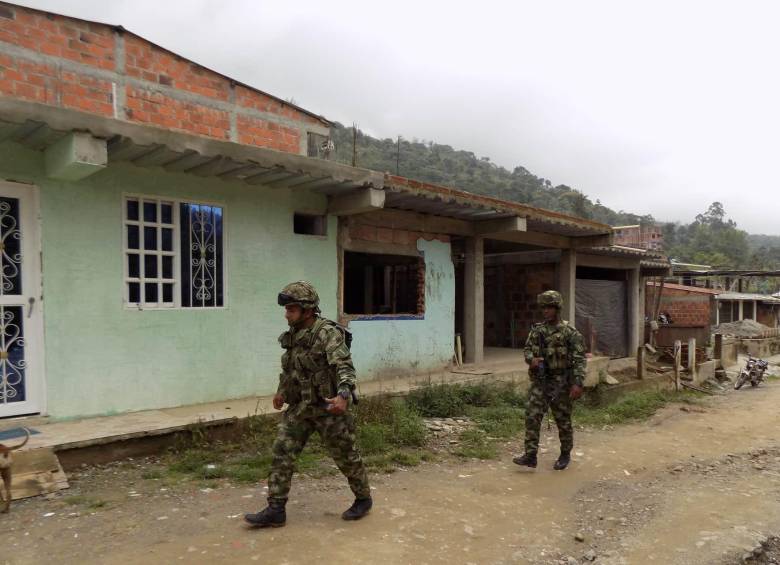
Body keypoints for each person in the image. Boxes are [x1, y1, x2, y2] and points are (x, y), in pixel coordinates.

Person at [244, 281, 372, 528]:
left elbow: (344, 366)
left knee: (346, 456)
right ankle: (276, 509)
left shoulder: (327, 333)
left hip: (328, 409)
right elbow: (290, 368)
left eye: (291, 309)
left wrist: (343, 396)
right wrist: (281, 392)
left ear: (308, 310)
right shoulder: (292, 335)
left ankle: (363, 499)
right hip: (301, 407)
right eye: (287, 309)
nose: (286, 314)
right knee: (282, 452)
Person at [513, 290, 585, 471]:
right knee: (532, 415)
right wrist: (532, 360)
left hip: (561, 383)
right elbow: (527, 350)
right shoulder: (537, 331)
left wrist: (577, 383)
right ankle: (530, 456)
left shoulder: (570, 333)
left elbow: (579, 359)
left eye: (549, 308)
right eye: (543, 308)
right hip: (541, 381)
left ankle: (565, 454)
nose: (545, 311)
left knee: (563, 420)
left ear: (557, 308)